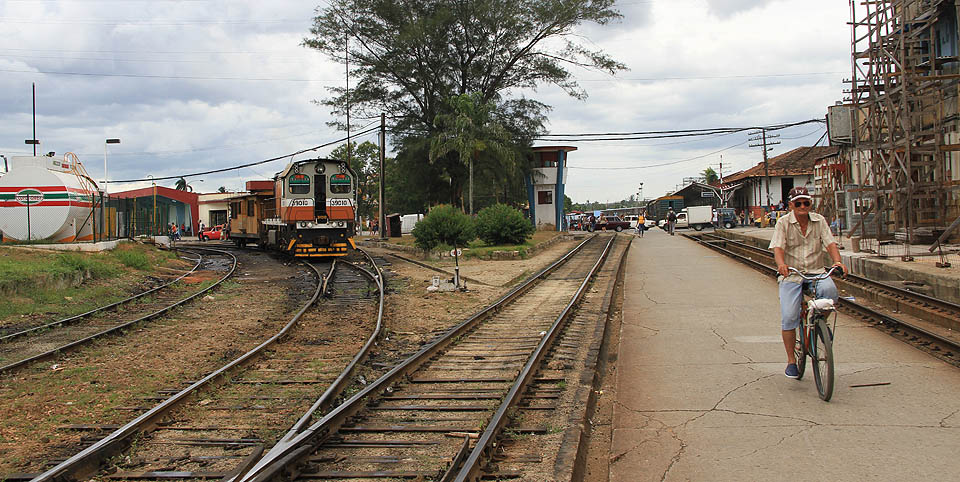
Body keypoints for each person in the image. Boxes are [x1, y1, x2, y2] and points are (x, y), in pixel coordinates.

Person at [770, 187, 848, 379]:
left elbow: (830, 243)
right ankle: (791, 361)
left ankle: (820, 324)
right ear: (791, 205)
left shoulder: (819, 221)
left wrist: (838, 262)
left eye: (806, 203)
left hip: (816, 272)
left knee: (831, 293)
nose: (803, 206)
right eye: (798, 203)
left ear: (810, 204)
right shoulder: (783, 223)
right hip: (792, 274)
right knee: (789, 316)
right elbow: (778, 247)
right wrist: (781, 265)